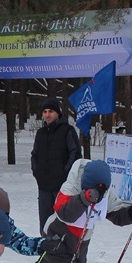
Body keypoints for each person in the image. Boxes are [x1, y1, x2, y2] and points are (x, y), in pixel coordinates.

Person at [30, 97, 82, 233]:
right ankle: (46, 250)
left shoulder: (67, 131)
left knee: (63, 222)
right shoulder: (40, 133)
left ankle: (63, 252)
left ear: (58, 113)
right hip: (44, 186)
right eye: (45, 112)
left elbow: (75, 153)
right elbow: (34, 154)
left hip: (62, 186)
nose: (47, 115)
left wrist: (65, 174)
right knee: (45, 224)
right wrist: (37, 172)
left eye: (51, 111)